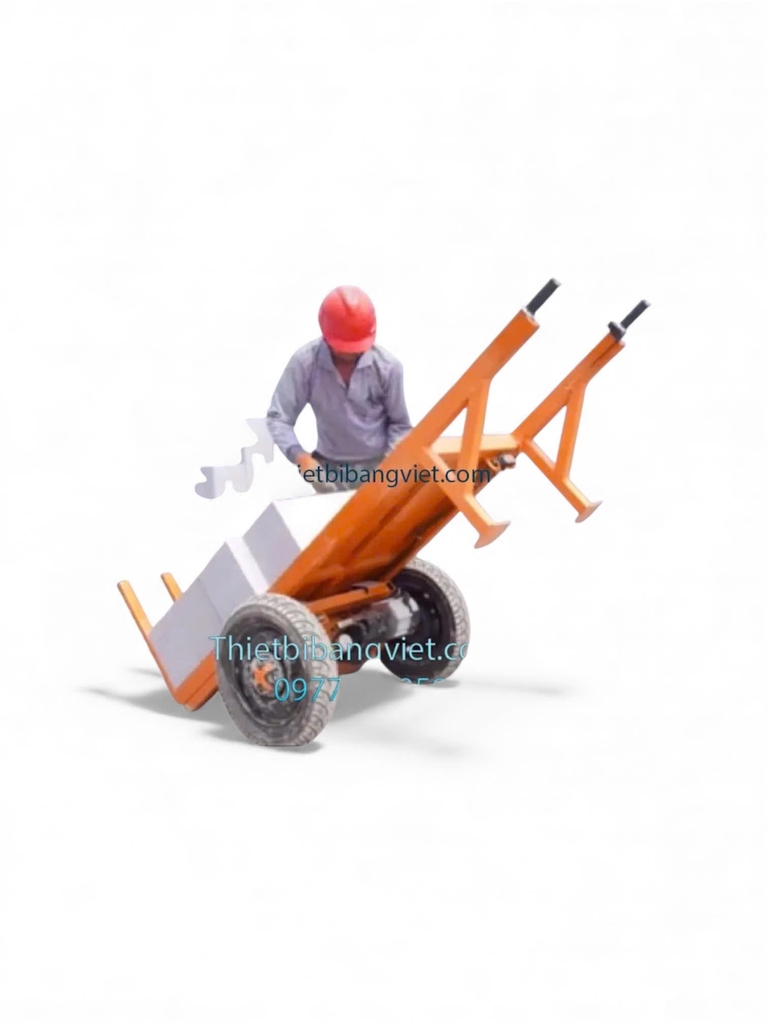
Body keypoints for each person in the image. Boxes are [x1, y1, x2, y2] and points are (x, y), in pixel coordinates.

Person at [266, 285, 412, 493]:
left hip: (379, 466)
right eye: (343, 346)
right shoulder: (305, 364)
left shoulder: (388, 368)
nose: (350, 353)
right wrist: (301, 457)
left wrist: (387, 469)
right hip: (330, 470)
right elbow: (278, 418)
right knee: (335, 515)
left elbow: (401, 425)